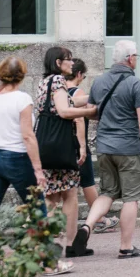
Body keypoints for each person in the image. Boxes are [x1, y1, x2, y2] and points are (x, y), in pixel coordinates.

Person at [0, 57, 74, 275]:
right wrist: (37, 169)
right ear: (21, 75)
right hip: (18, 159)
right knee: (37, 211)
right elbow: (28, 136)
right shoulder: (22, 99)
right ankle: (48, 263)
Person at [79, 41, 140, 259]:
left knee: (107, 193)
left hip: (104, 147)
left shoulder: (99, 82)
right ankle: (125, 246)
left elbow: (92, 112)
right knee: (131, 198)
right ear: (130, 58)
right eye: (136, 57)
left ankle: (87, 226)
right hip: (128, 148)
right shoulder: (135, 84)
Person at [35, 47, 97, 258]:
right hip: (61, 146)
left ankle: (46, 244)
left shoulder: (45, 82)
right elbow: (64, 111)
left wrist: (92, 97)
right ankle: (70, 244)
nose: (72, 63)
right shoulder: (60, 82)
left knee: (50, 195)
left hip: (45, 145)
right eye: (69, 60)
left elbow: (64, 103)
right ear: (59, 62)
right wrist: (90, 111)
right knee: (70, 194)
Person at [65, 59, 119, 234]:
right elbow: (81, 118)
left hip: (63, 144)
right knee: (88, 182)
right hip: (77, 143)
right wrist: (83, 146)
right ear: (79, 74)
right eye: (83, 75)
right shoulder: (77, 91)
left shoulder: (60, 91)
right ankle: (100, 219)